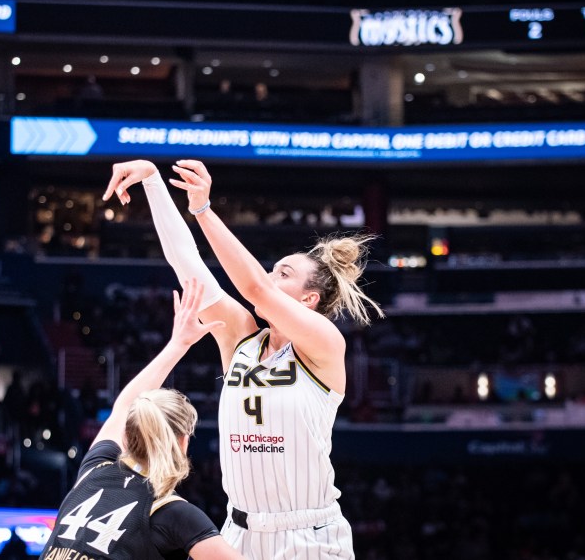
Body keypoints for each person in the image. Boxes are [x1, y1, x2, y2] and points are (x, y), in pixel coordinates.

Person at [103, 160, 384, 560]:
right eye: (272, 270)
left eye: (282, 274)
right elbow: (189, 268)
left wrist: (203, 208)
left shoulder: (325, 345)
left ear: (309, 300)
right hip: (237, 532)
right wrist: (152, 180)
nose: (270, 278)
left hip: (309, 536)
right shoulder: (242, 339)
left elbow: (254, 288)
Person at [38, 279, 245, 560]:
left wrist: (178, 344)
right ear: (183, 444)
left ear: (125, 438)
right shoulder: (174, 512)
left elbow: (122, 407)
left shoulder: (93, 470)